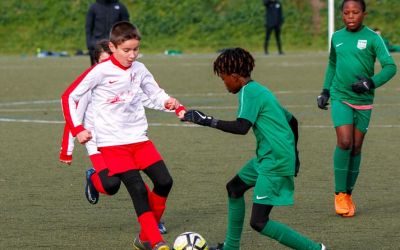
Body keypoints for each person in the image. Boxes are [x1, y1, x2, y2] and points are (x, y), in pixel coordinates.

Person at [183, 48, 325, 250]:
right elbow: (292, 121)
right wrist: (295, 155)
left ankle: (315, 249)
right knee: (234, 188)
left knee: (259, 222)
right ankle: (231, 247)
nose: (224, 84)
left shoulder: (249, 92)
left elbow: (242, 128)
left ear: (234, 76)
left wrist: (206, 120)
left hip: (274, 160)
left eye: (224, 79)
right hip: (268, 156)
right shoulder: (259, 90)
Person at [62, 21, 184, 250]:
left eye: (135, 49)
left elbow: (154, 93)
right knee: (136, 188)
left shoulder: (140, 69)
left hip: (139, 138)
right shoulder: (100, 71)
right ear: (113, 47)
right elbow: (69, 96)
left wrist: (167, 102)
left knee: (165, 181)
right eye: (126, 50)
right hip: (112, 143)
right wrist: (77, 129)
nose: (132, 55)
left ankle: (145, 236)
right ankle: (156, 242)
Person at [317, 0, 396, 218]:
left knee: (356, 148)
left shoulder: (373, 38)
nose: (351, 16)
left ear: (364, 14)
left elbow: (390, 67)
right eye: (346, 12)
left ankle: (348, 193)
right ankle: (339, 193)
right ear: (341, 15)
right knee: (344, 142)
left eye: (356, 12)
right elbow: (332, 64)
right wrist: (325, 91)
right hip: (340, 95)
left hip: (364, 99)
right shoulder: (337, 37)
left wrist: (370, 83)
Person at [86, 0, 130, 65]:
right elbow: (88, 28)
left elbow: (126, 27)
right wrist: (90, 44)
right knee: (96, 72)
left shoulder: (120, 7)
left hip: (115, 46)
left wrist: (124, 43)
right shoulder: (93, 7)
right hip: (97, 46)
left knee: (115, 71)